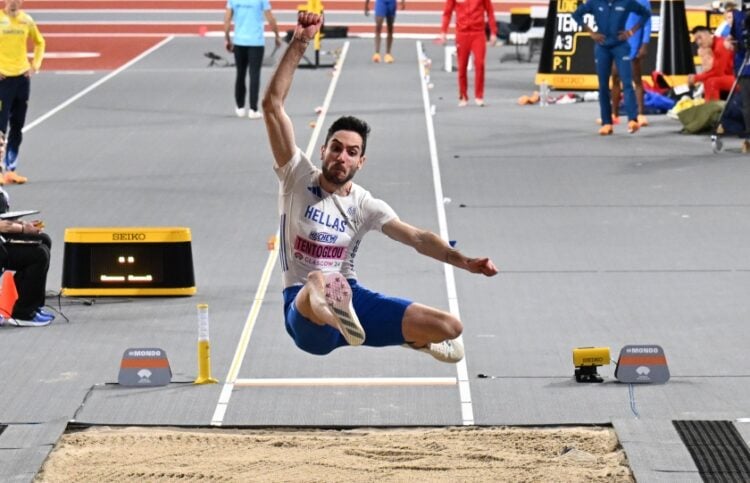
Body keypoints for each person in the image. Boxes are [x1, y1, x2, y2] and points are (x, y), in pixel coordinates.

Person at [261, 11, 498, 363]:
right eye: (336, 148)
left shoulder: (365, 205)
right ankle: (340, 321)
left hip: (351, 296)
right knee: (317, 280)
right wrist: (300, 42)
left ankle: (397, 335)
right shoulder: (297, 176)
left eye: (351, 152)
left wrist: (465, 262)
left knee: (450, 327)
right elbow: (272, 105)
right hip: (306, 315)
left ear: (361, 162)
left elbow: (417, 238)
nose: (342, 156)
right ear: (323, 150)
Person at [572, 0, 650, 135]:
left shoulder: (626, 2)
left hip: (620, 46)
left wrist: (631, 32)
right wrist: (591, 33)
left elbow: (646, 14)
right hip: (602, 47)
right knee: (603, 86)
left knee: (627, 82)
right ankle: (607, 123)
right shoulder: (595, 2)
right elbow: (576, 15)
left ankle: (632, 120)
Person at [0, 0, 45, 185]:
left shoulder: (26, 20)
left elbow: (40, 42)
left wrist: (35, 65)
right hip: (3, 80)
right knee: (0, 128)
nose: (14, 3)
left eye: (17, 0)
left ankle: (11, 170)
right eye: (10, 0)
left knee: (17, 125)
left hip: (21, 79)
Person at [224, 0, 281, 119]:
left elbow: (227, 19)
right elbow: (270, 18)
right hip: (256, 42)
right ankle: (253, 109)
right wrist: (277, 35)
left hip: (239, 41)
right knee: (254, 75)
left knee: (240, 74)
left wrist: (227, 38)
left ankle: (240, 107)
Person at [439, 0, 497, 107]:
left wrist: (493, 32)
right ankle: (463, 96)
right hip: (462, 33)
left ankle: (479, 96)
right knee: (462, 66)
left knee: (480, 64)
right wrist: (443, 31)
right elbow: (447, 12)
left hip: (478, 33)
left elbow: (490, 11)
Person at [611, 0, 652, 127]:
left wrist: (644, 44)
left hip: (633, 45)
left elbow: (647, 23)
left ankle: (640, 114)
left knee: (636, 80)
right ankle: (614, 115)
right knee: (615, 78)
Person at [688, 26, 734, 102]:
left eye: (700, 37)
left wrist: (696, 78)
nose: (699, 42)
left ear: (708, 34)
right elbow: (711, 70)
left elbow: (718, 72)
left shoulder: (720, 45)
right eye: (696, 40)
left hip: (740, 80)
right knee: (708, 80)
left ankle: (713, 110)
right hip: (731, 77)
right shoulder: (711, 47)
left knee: (711, 82)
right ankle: (709, 107)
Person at [727, 7, 750, 152]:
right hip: (745, 67)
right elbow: (734, 42)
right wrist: (733, 44)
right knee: (747, 104)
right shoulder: (739, 17)